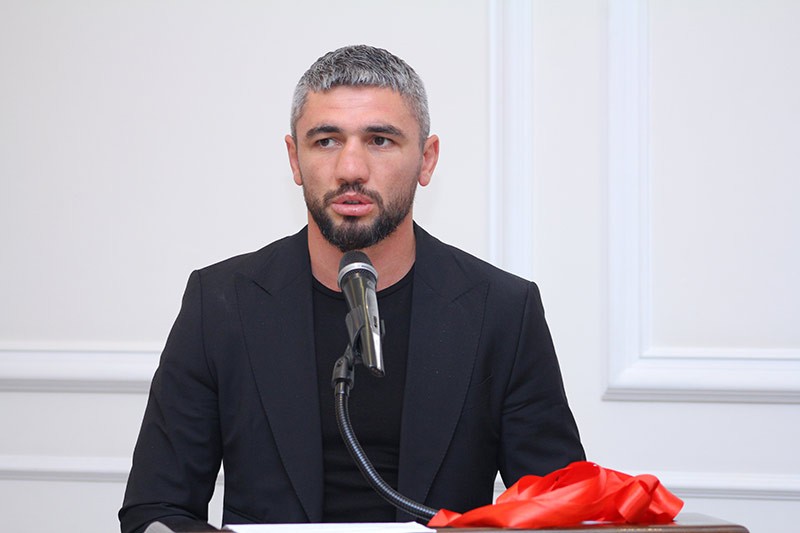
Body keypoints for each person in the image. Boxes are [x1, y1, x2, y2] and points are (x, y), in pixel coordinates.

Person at [119, 44, 584, 533]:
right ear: (294, 160)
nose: (351, 169)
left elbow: (564, 510)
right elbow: (155, 510)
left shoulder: (504, 311)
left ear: (426, 160)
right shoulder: (218, 304)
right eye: (326, 141)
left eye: (380, 140)